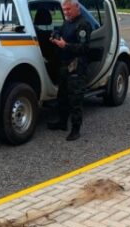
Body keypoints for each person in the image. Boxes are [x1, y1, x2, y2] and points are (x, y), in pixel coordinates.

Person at [47, 0, 92, 141]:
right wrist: (54, 35)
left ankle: (75, 129)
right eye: (64, 10)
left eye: (68, 9)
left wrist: (65, 46)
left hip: (76, 66)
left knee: (75, 99)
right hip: (64, 65)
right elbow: (60, 31)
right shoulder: (67, 22)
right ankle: (62, 122)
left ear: (77, 8)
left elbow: (84, 48)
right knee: (62, 96)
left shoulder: (83, 24)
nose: (66, 12)